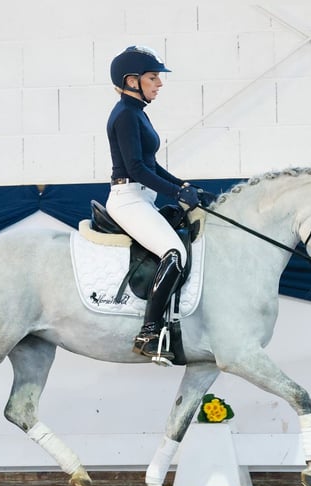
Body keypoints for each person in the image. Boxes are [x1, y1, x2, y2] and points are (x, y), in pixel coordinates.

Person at [105, 45, 203, 363]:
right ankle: (148, 332)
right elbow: (136, 169)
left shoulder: (137, 113)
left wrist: (183, 186)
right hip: (127, 199)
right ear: (132, 81)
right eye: (153, 77)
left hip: (142, 197)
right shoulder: (124, 116)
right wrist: (175, 193)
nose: (159, 83)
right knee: (173, 254)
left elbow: (152, 165)